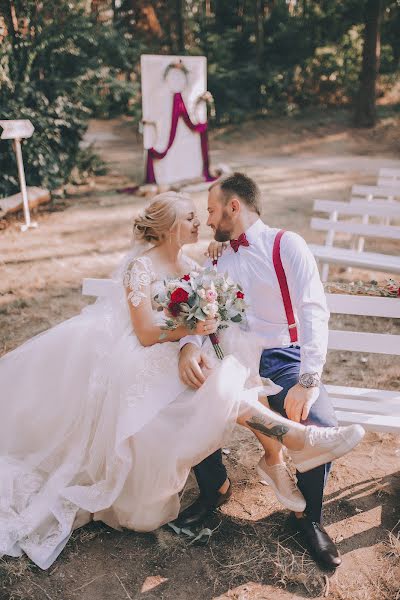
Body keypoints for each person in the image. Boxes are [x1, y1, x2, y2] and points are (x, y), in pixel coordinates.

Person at [0, 191, 363, 570]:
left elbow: (210, 315)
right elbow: (143, 333)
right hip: (137, 358)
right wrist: (190, 330)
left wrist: (198, 334)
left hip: (177, 355)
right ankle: (291, 444)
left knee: (222, 379)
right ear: (171, 226)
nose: (200, 223)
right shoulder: (140, 267)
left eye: (202, 213)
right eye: (191, 216)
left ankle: (279, 453)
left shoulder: (194, 263)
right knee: (213, 385)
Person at [177, 173, 347, 570]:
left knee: (319, 419)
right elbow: (204, 318)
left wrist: (307, 380)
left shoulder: (286, 245)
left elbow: (313, 310)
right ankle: (214, 489)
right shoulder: (217, 257)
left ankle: (309, 519)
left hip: (281, 355)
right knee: (189, 397)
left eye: (212, 210)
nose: (208, 219)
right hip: (230, 358)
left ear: (234, 207)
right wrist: (189, 347)